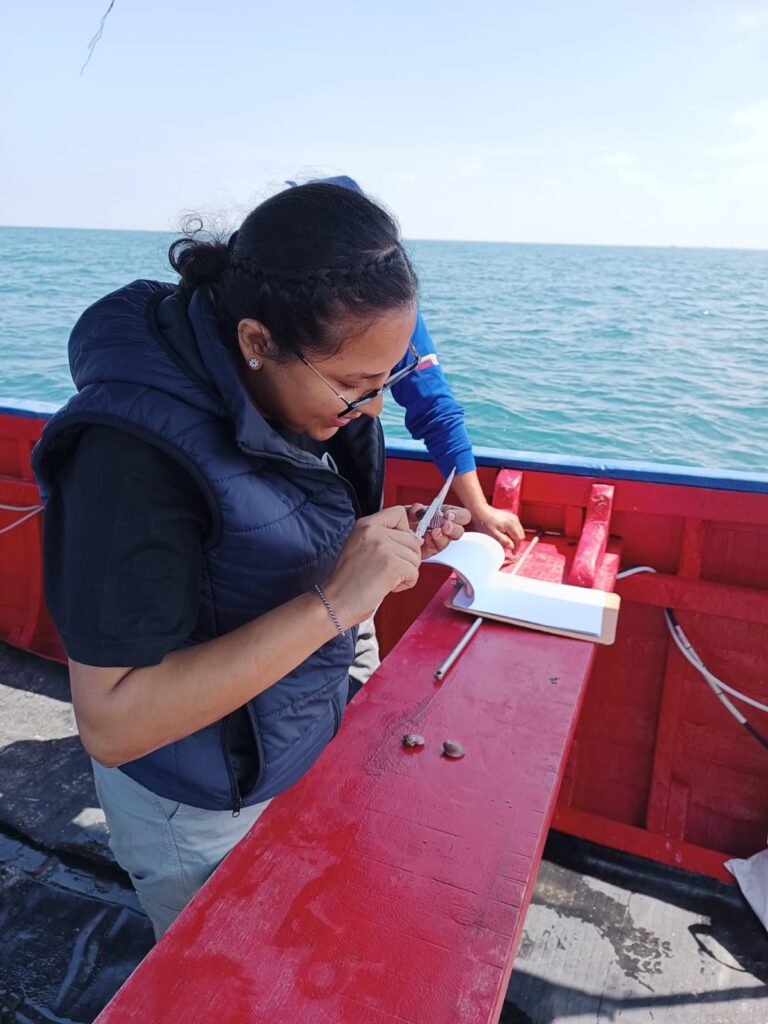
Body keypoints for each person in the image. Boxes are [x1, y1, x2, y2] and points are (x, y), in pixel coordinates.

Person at [32, 182, 470, 939]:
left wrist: (380, 541)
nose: (372, 412)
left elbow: (269, 524)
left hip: (295, 726)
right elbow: (110, 721)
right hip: (198, 801)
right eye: (357, 388)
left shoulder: (312, 382)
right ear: (256, 342)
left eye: (389, 381)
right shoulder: (129, 457)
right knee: (228, 970)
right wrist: (335, 602)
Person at [296, 176, 525, 552]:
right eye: (353, 381)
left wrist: (478, 509)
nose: (375, 405)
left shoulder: (389, 317)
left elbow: (433, 405)